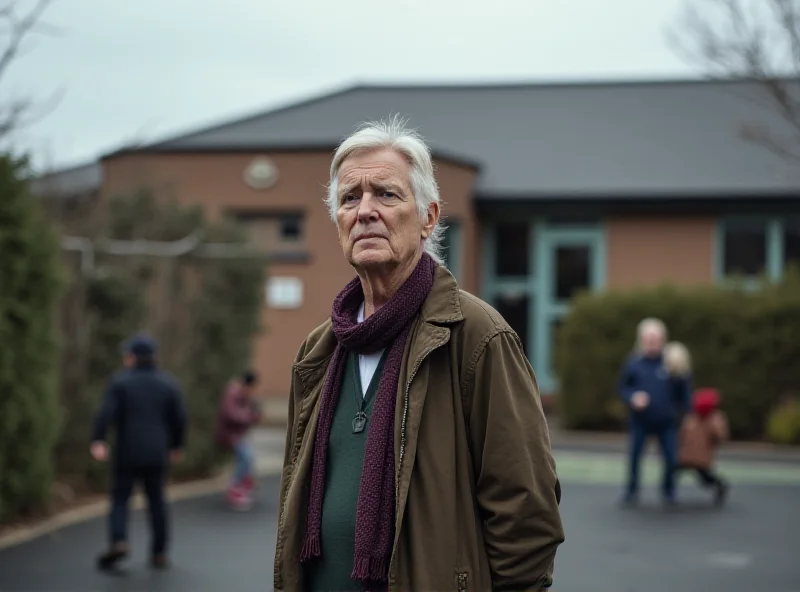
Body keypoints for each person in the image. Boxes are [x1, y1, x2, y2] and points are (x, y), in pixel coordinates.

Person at [274, 118, 564, 592]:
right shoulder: (320, 349)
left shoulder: (476, 337)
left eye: (386, 194)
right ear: (338, 223)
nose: (365, 210)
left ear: (429, 218)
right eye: (350, 198)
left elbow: (525, 514)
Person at [91, 333, 187, 571]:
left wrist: (99, 439)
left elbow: (106, 413)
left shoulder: (120, 382)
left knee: (120, 499)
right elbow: (179, 418)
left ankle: (119, 540)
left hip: (127, 452)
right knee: (156, 502)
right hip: (157, 452)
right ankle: (159, 552)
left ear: (132, 357)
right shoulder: (168, 383)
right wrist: (176, 445)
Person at [618, 319, 692, 507]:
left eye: (656, 339)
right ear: (642, 339)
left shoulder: (671, 362)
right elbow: (623, 388)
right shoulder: (634, 363)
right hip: (640, 420)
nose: (652, 342)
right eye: (648, 338)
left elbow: (684, 392)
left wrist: (687, 414)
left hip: (666, 421)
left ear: (662, 339)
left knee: (670, 457)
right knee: (635, 456)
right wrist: (633, 397)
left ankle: (669, 491)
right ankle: (632, 491)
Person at [215, 370, 262, 510]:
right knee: (245, 458)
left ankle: (244, 482)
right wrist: (250, 416)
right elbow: (231, 414)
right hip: (230, 434)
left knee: (247, 458)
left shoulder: (244, 395)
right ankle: (236, 486)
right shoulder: (233, 393)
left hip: (239, 434)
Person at [676, 387, 730, 506]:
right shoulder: (691, 418)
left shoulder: (715, 419)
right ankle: (669, 492)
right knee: (672, 472)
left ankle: (720, 485)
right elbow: (681, 434)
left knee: (705, 479)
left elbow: (720, 437)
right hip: (685, 455)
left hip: (702, 458)